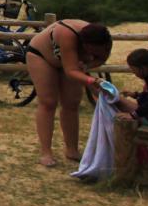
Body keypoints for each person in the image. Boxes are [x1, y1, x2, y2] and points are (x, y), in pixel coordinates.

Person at [24, 18, 114, 167]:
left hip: (70, 62)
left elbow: (100, 59)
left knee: (72, 103)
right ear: (85, 44)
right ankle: (46, 152)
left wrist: (86, 65)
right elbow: (71, 70)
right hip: (42, 56)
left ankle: (72, 150)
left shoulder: (104, 41)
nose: (93, 54)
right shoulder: (68, 34)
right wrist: (91, 82)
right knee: (48, 102)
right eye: (91, 51)